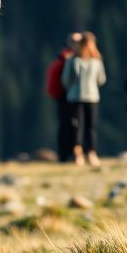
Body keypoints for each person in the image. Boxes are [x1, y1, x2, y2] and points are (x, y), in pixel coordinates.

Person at [62, 31, 107, 166]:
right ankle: (78, 153)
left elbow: (101, 79)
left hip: (91, 97)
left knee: (91, 127)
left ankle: (91, 152)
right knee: (78, 126)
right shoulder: (73, 60)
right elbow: (65, 79)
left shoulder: (96, 61)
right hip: (76, 98)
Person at [45, 32, 82, 162]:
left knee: (70, 125)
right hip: (66, 96)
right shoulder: (68, 58)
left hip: (68, 95)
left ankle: (68, 154)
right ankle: (66, 154)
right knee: (69, 125)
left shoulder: (64, 56)